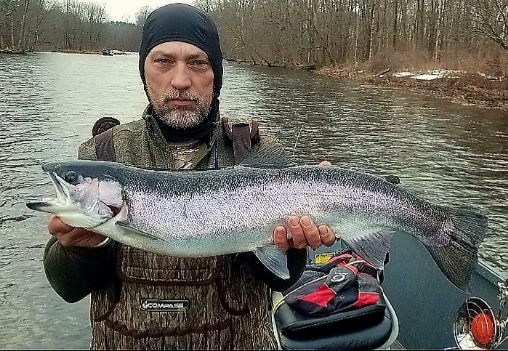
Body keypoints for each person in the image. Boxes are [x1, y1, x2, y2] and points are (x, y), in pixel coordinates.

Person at [43, 4, 336, 350]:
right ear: (144, 71)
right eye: (163, 61)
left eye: (198, 62)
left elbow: (281, 278)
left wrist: (293, 247)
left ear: (216, 73)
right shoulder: (101, 153)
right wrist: (81, 249)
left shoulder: (252, 149)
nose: (181, 81)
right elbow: (68, 289)